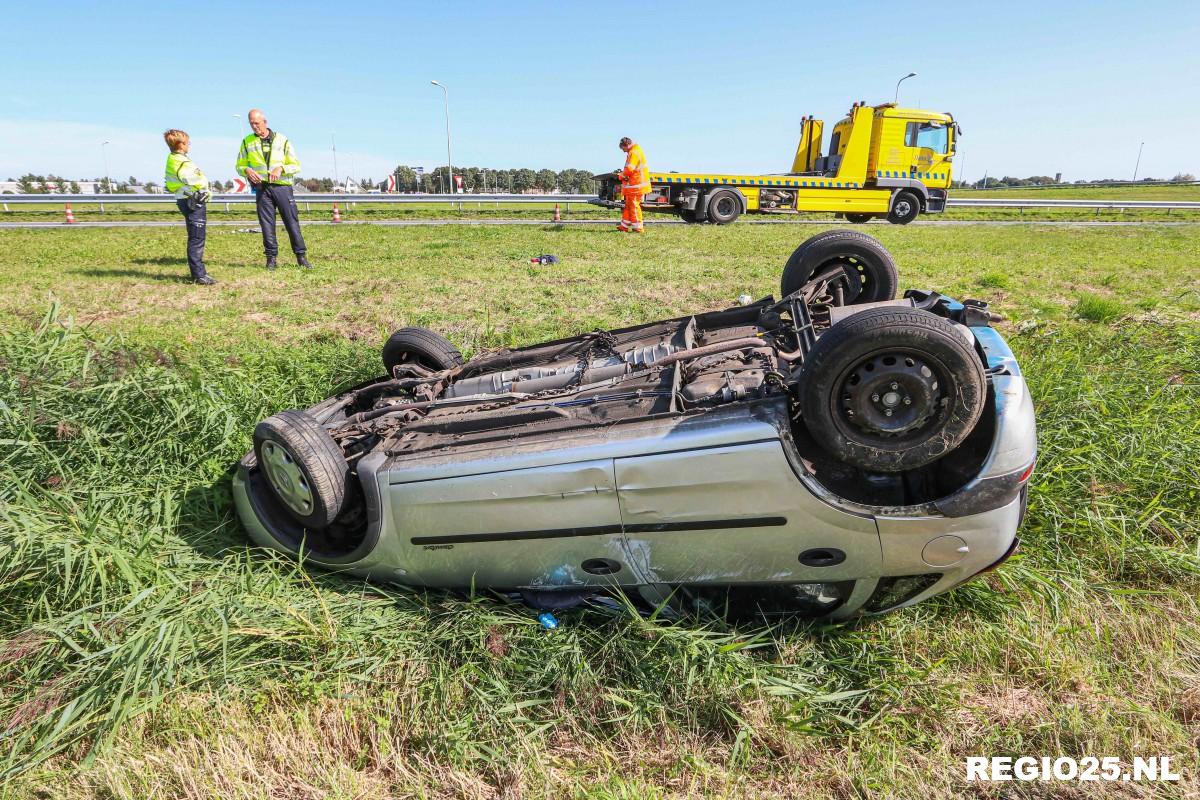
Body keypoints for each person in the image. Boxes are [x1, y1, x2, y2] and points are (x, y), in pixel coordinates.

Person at [236, 109, 311, 270]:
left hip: (282, 187)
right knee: (266, 225)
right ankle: (271, 259)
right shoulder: (246, 142)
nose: (254, 127)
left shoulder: (282, 140)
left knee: (291, 222)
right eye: (251, 124)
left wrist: (281, 169)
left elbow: (296, 165)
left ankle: (301, 257)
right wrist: (246, 170)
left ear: (265, 122)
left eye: (257, 123)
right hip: (262, 188)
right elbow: (239, 165)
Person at [162, 129, 216, 285]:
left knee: (195, 236)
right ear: (181, 144)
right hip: (192, 199)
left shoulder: (175, 159)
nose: (189, 145)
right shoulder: (180, 161)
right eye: (188, 142)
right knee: (197, 237)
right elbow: (189, 177)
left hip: (186, 198)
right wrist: (202, 185)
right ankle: (199, 275)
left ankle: (198, 273)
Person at [617, 136, 650, 233]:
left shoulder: (633, 153)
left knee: (634, 206)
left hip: (636, 185)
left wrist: (621, 175)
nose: (624, 151)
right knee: (628, 206)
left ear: (626, 145)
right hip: (634, 185)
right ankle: (624, 226)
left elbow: (630, 169)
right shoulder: (635, 151)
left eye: (623, 149)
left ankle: (638, 228)